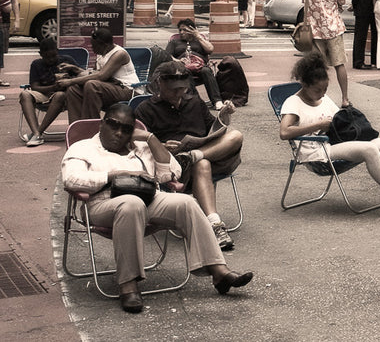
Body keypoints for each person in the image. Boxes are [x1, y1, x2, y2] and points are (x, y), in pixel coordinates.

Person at [61, 103, 253, 313]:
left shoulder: (141, 148)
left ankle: (219, 273)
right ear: (101, 125)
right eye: (113, 125)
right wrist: (113, 176)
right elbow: (71, 179)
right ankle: (128, 284)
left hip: (148, 199)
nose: (118, 133)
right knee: (130, 204)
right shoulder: (83, 148)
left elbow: (172, 173)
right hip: (103, 204)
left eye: (126, 129)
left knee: (186, 203)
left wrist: (151, 139)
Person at [280, 52, 380, 216]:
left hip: (334, 145)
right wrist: (318, 125)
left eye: (325, 89)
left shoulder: (323, 99)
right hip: (317, 154)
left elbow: (339, 122)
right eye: (318, 90)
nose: (322, 93)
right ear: (305, 85)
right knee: (369, 149)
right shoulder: (293, 102)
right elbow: (284, 132)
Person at [135, 62, 244, 250]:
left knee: (235, 135)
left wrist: (224, 116)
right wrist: (160, 145)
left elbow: (214, 129)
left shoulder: (194, 102)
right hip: (172, 166)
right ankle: (215, 224)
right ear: (160, 84)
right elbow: (137, 144)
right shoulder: (145, 109)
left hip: (206, 154)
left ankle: (193, 156)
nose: (178, 94)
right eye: (173, 90)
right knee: (202, 164)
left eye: (183, 89)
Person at [59, 28, 137, 122]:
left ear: (105, 45)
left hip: (127, 89)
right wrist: (76, 69)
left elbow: (101, 76)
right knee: (73, 89)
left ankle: (91, 126)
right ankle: (76, 127)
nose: (92, 48)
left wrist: (70, 81)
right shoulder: (101, 54)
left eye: (94, 46)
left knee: (92, 85)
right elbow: (95, 73)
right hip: (109, 87)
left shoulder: (119, 54)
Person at [305, 0, 351, 105]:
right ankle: (344, 98)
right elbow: (342, 2)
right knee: (339, 64)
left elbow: (304, 1)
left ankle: (316, 97)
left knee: (317, 66)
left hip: (314, 27)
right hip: (333, 27)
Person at [19, 38, 81, 146]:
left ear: (57, 51)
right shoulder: (36, 64)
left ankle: (38, 133)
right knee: (24, 94)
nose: (51, 60)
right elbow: (34, 87)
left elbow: (82, 76)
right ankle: (36, 133)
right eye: (47, 57)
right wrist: (52, 87)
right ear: (41, 54)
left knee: (60, 95)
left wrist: (71, 75)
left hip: (64, 96)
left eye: (54, 56)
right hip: (44, 93)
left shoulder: (67, 60)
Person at [166, 18, 224, 110]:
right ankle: (196, 101)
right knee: (186, 71)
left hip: (199, 67)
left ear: (192, 30)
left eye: (185, 30)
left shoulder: (199, 40)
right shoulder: (174, 42)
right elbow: (167, 55)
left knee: (206, 71)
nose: (181, 32)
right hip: (183, 67)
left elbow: (210, 49)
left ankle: (217, 101)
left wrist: (198, 36)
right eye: (180, 30)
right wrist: (177, 61)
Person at [0, 0, 20, 90]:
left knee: (2, 50)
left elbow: (14, 0)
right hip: (1, 20)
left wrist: (17, 19)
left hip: (4, 21)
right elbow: (8, 6)